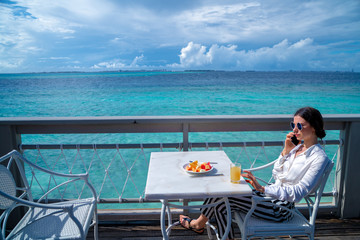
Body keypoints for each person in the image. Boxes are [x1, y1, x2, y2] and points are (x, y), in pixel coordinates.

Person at [179, 106, 330, 239]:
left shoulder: (318, 157)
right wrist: (285, 151)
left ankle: (198, 224)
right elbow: (277, 174)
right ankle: (207, 228)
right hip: (268, 198)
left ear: (314, 127)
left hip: (280, 209)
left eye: (300, 125)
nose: (294, 130)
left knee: (222, 197)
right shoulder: (296, 148)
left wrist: (262, 188)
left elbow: (299, 192)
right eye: (293, 124)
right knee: (222, 200)